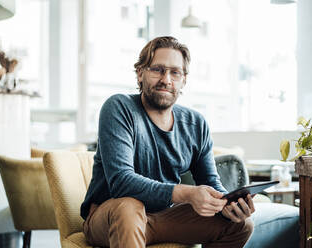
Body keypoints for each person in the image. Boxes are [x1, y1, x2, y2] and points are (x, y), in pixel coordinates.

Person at [81, 36, 254, 248]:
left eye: (175, 72)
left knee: (240, 224)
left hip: (161, 219)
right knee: (128, 207)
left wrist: (228, 204)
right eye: (157, 70)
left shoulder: (196, 123)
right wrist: (187, 193)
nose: (166, 79)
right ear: (140, 74)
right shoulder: (119, 107)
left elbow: (210, 181)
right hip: (110, 217)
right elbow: (121, 182)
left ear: (184, 80)